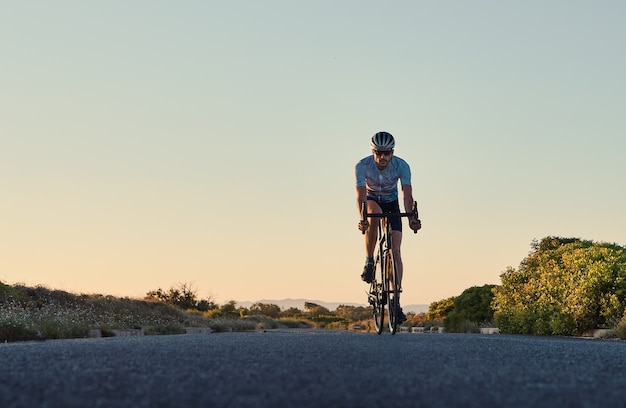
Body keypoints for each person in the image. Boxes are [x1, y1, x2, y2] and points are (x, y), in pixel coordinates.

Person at [355, 131, 421, 322]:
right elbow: (360, 195)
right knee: (373, 216)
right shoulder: (362, 166)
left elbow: (406, 194)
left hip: (392, 203)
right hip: (371, 199)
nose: (382, 157)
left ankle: (395, 300)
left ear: (392, 152)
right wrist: (363, 218)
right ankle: (369, 261)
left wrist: (411, 218)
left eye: (387, 153)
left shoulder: (402, 166)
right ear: (373, 151)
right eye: (379, 153)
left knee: (397, 250)